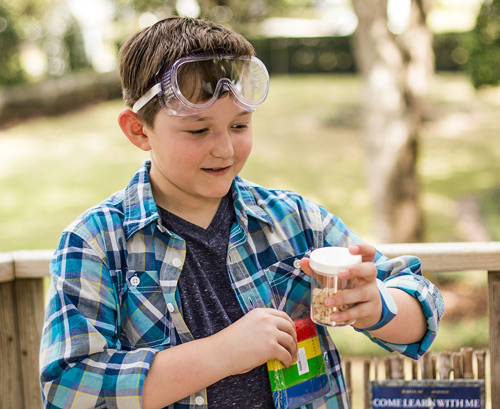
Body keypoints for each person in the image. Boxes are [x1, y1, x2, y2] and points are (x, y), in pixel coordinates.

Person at [39, 16, 445, 409]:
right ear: (138, 130)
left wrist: (378, 306)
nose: (225, 150)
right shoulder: (96, 242)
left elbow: (421, 302)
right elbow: (69, 388)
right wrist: (221, 353)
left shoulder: (294, 219)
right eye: (198, 130)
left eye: (240, 126)